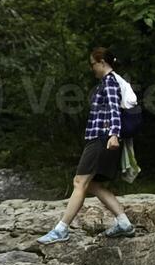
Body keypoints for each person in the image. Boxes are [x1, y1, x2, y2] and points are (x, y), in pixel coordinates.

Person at [38, 47, 133, 243]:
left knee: (79, 182)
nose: (92, 69)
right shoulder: (108, 82)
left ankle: (61, 230)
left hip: (102, 139)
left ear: (101, 62)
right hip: (102, 138)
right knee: (94, 184)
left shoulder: (109, 82)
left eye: (92, 64)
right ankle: (123, 223)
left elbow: (115, 110)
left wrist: (114, 134)